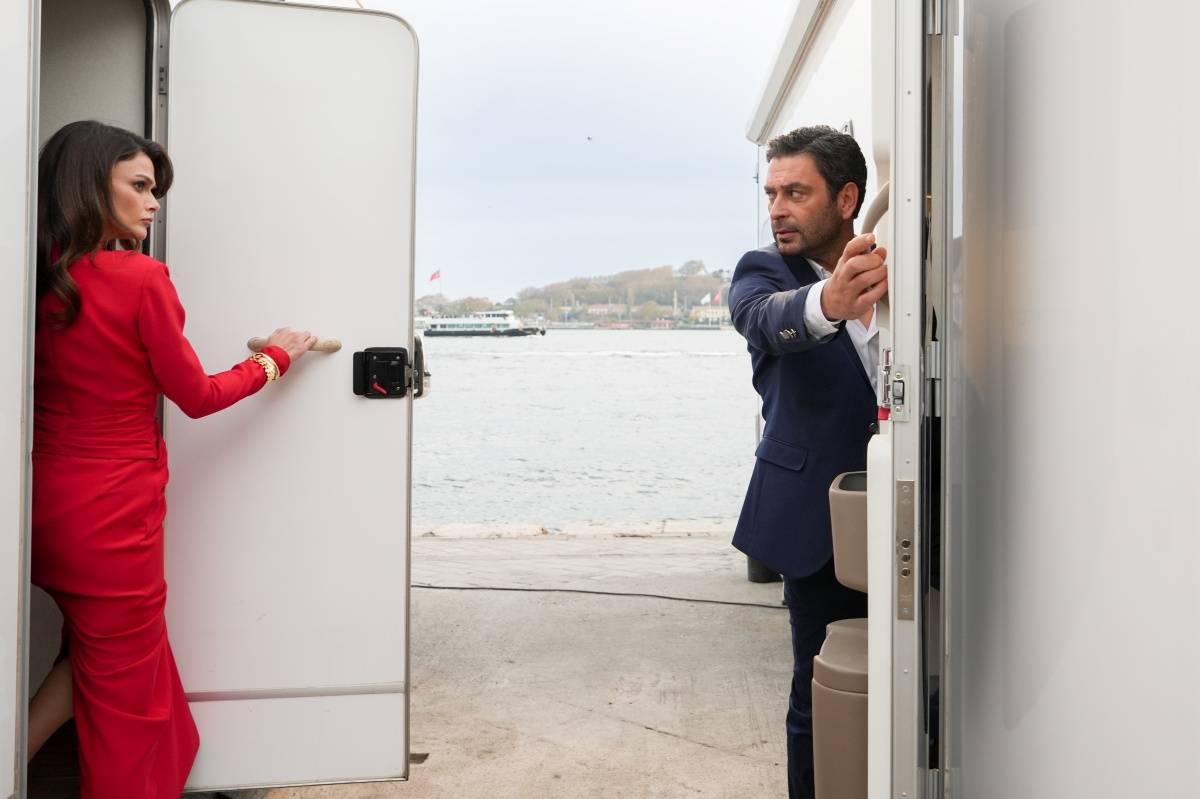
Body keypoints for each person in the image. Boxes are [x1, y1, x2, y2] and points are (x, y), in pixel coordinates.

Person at [26, 120, 316, 797]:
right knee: (128, 702)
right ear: (89, 185)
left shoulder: (31, 276)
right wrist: (274, 359)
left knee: (91, 658)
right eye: (140, 186)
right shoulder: (140, 278)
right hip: (112, 520)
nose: (153, 203)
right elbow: (198, 396)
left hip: (39, 508)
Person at [728, 125, 888, 799]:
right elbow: (763, 318)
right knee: (819, 691)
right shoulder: (762, 271)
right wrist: (830, 303)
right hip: (817, 524)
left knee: (910, 678)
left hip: (911, 513)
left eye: (796, 193)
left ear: (846, 198)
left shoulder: (900, 266)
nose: (778, 209)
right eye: (772, 193)